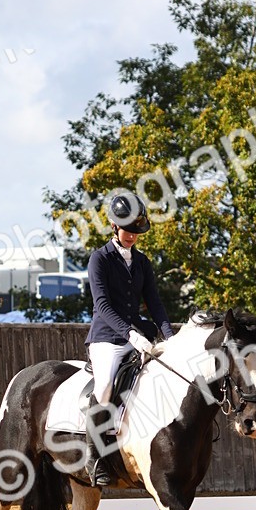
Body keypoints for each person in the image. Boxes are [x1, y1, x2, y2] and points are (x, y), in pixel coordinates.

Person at [84, 192, 174, 486]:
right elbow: (103, 306)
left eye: (137, 231)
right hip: (107, 338)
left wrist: (170, 338)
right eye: (128, 230)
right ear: (113, 226)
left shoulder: (142, 262)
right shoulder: (99, 259)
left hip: (137, 333)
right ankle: (94, 455)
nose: (133, 236)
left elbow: (156, 304)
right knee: (107, 385)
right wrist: (131, 333)